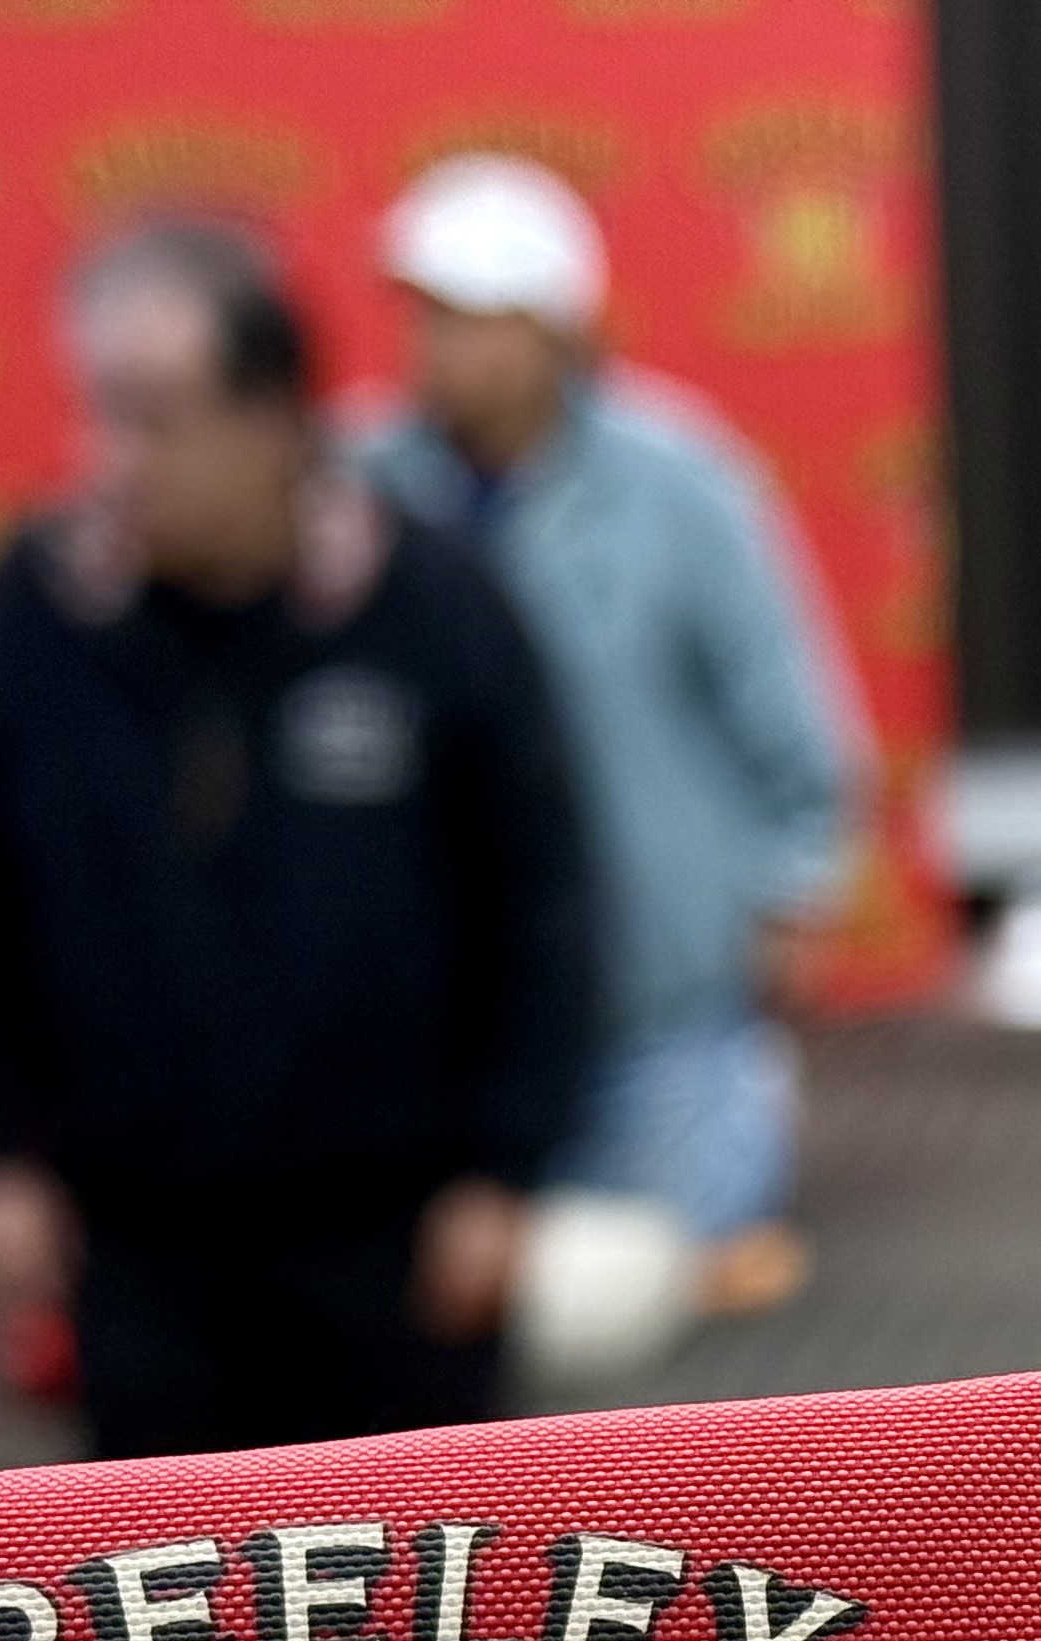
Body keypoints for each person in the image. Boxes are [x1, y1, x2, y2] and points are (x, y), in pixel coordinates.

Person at [0, 222, 595, 1460]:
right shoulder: (29, 618)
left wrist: (507, 1172)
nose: (114, 459)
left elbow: (539, 903)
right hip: (132, 1236)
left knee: (417, 1603)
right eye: (101, 412)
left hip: (397, 1228)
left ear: (278, 415)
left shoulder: (436, 610)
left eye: (156, 417)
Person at [365, 156, 869, 1317]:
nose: (434, 349)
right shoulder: (364, 491)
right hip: (443, 1022)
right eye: (422, 317)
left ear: (553, 332)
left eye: (466, 319)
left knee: (658, 1310)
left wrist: (799, 882)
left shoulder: (679, 481)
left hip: (656, 997)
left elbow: (783, 701)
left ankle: (739, 1109)